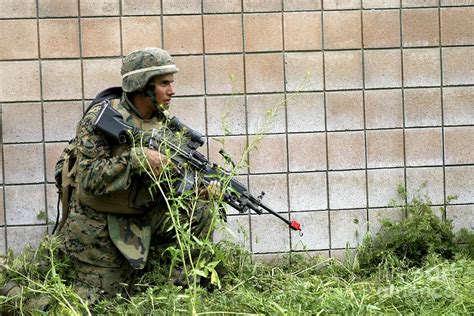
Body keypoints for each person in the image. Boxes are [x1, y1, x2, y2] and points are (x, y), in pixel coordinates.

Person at [57, 47, 218, 301]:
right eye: (164, 83)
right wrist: (135, 159)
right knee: (102, 303)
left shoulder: (163, 123)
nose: (171, 90)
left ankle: (180, 293)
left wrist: (198, 187)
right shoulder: (101, 119)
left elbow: (173, 180)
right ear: (142, 85)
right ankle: (17, 290)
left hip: (142, 214)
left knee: (201, 209)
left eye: (171, 83)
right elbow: (88, 179)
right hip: (98, 223)